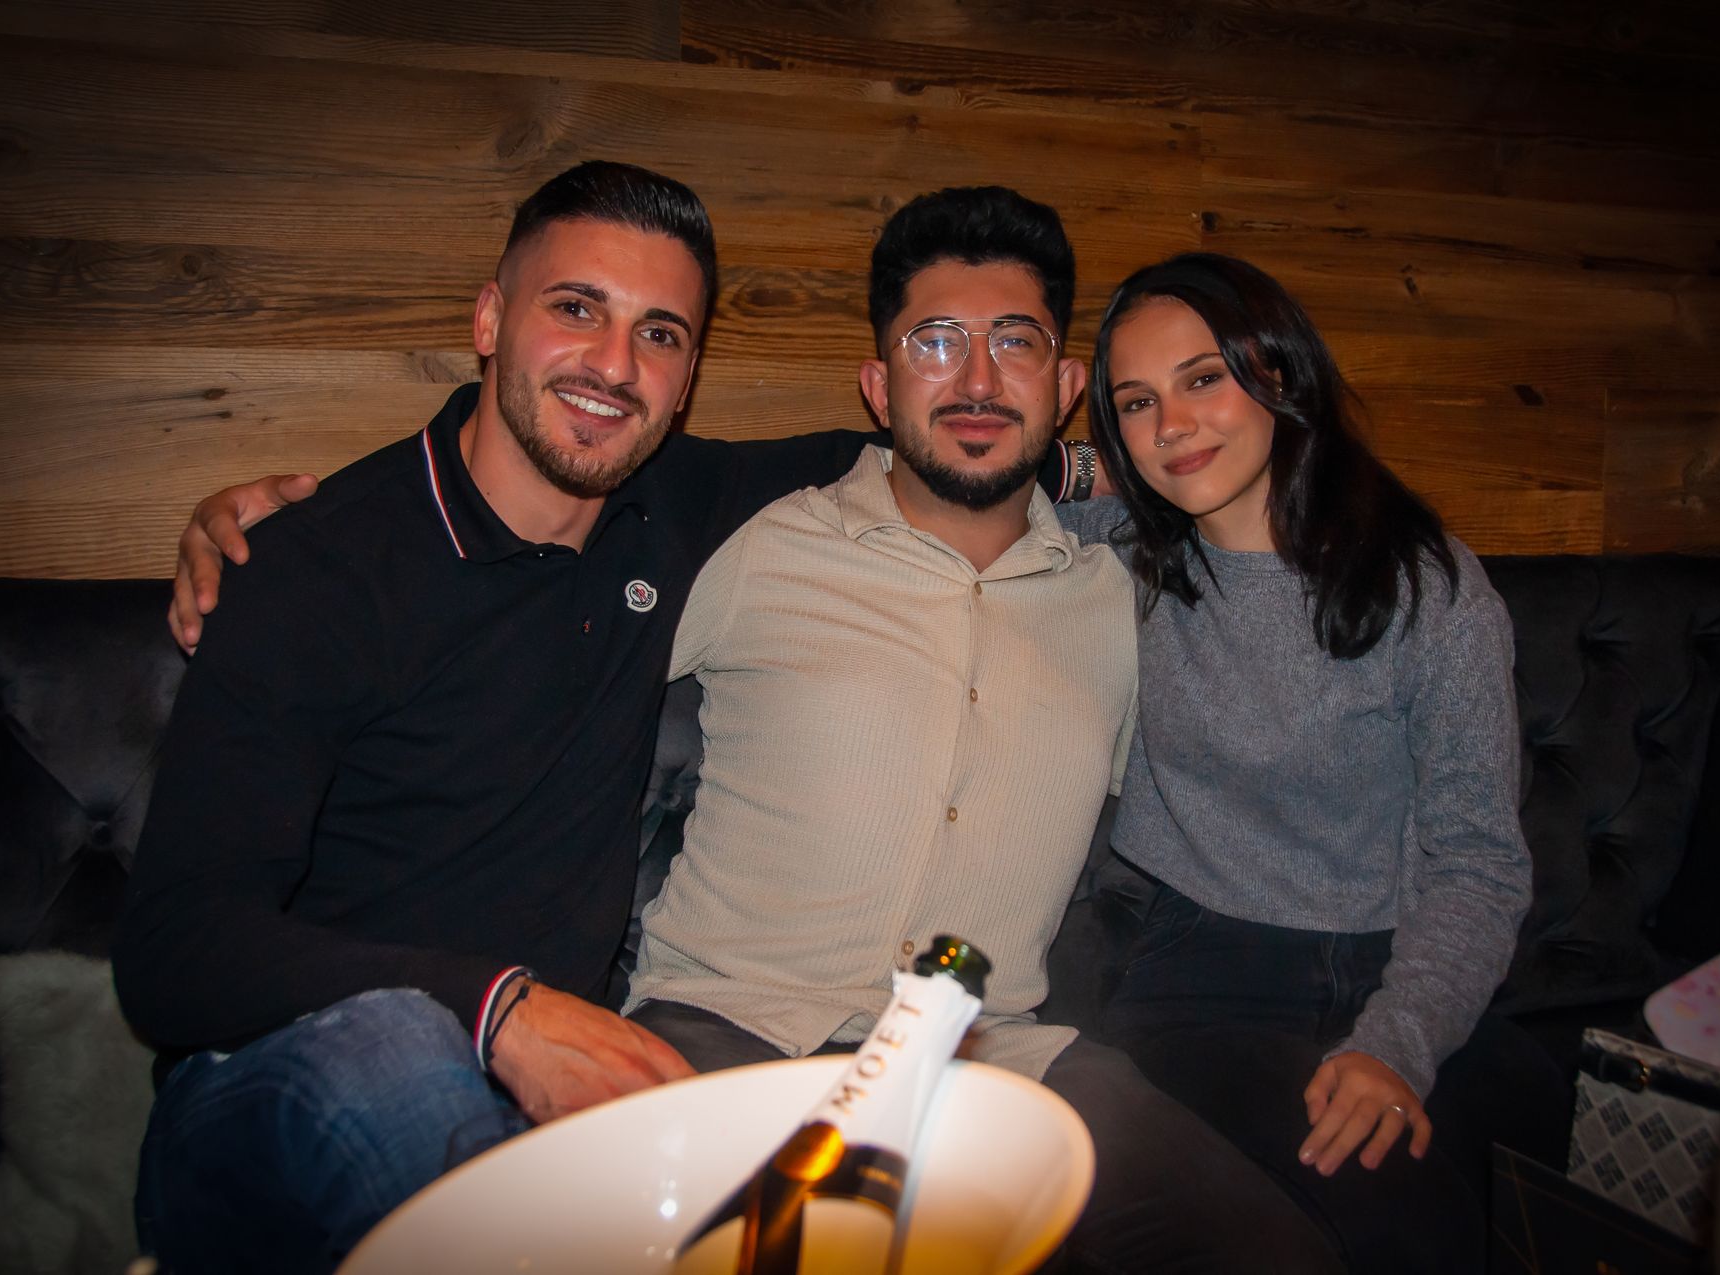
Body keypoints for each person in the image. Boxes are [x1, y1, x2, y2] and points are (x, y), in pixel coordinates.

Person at [159, 190, 1343, 1274]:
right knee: (408, 1074)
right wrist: (498, 1006)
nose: (613, 363)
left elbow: (1009, 447)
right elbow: (175, 952)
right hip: (573, 1044)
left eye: (659, 334)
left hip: (973, 1051)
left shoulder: (1090, 595)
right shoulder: (342, 561)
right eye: (576, 308)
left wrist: (1175, 453)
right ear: (488, 318)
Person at [622, 187, 1341, 1272]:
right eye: (934, 342)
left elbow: (1263, 768)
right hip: (732, 1032)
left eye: (1014, 343)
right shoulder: (763, 546)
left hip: (998, 1059)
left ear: (1064, 388)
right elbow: (556, 649)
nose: (974, 380)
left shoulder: (1121, 603)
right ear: (878, 387)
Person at [1058, 251, 1558, 1273]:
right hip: (1202, 971)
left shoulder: (1427, 587)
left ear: (1278, 372)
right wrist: (1091, 465)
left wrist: (1396, 1040)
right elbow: (972, 463)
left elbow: (1477, 859)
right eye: (1138, 403)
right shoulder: (1126, 551)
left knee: (1528, 1149)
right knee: (1401, 1221)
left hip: (1393, 956)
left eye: (1204, 379)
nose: (1174, 425)